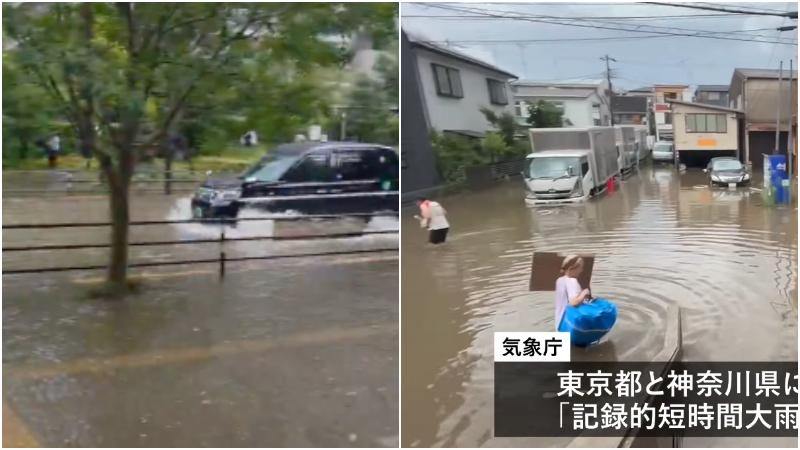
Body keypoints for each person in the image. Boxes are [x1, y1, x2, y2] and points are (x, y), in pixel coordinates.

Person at [554, 255, 592, 331]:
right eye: (580, 267)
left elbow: (566, 301)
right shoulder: (572, 281)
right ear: (572, 268)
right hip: (570, 325)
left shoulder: (559, 280)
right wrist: (584, 292)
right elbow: (573, 303)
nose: (582, 270)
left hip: (559, 323)